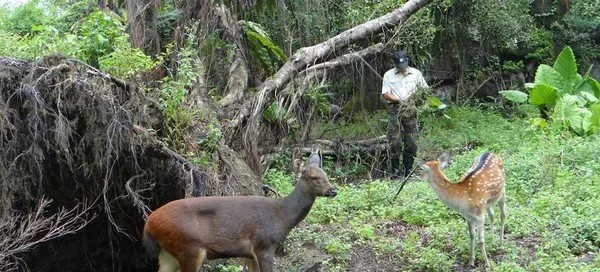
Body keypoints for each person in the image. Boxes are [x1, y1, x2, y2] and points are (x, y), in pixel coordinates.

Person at [381, 50, 429, 179]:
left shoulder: (416, 74)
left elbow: (424, 90)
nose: (402, 68)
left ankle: (408, 170)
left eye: (404, 65)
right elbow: (385, 93)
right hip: (395, 110)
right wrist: (397, 100)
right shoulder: (388, 75)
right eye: (399, 66)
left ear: (407, 62)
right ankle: (395, 171)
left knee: (412, 142)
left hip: (411, 110)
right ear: (395, 64)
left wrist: (417, 102)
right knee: (394, 142)